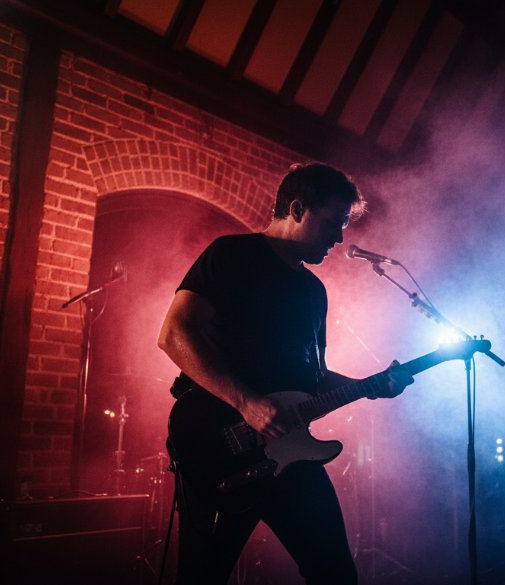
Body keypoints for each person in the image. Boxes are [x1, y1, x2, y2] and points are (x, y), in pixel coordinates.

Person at [157, 162, 414, 585]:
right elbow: (172, 335)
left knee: (334, 573)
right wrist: (246, 403)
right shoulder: (231, 255)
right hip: (220, 447)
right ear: (296, 208)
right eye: (333, 222)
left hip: (289, 455)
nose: (340, 237)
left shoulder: (314, 292)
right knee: (202, 576)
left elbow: (314, 378)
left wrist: (371, 387)